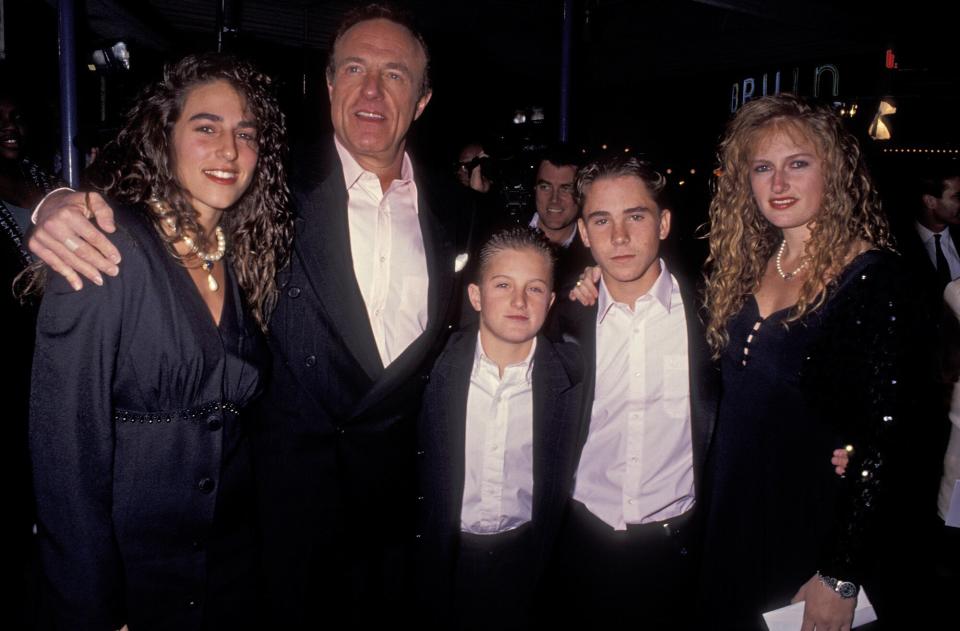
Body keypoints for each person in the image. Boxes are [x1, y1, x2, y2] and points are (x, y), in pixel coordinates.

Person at [27, 4, 467, 625]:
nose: (371, 89)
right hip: (277, 529)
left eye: (395, 74)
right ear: (329, 82)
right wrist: (52, 203)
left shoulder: (459, 208)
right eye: (354, 68)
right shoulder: (270, 183)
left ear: (421, 99)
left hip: (379, 530)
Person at [28, 53, 291, 630]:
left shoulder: (239, 261)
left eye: (245, 134)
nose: (229, 149)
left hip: (228, 574)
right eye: (206, 127)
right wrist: (91, 605)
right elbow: (64, 453)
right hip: (132, 580)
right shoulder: (107, 247)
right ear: (163, 138)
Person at [698, 93, 934, 629]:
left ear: (834, 171)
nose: (778, 184)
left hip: (810, 526)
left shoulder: (876, 281)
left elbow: (898, 439)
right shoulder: (747, 265)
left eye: (797, 164)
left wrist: (840, 574)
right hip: (731, 515)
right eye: (763, 168)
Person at [547, 155, 718, 628]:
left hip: (684, 551)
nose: (618, 237)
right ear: (583, 232)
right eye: (602, 220)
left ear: (663, 223)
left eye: (635, 216)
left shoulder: (714, 312)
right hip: (580, 545)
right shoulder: (558, 318)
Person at [416, 226, 584, 630]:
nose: (519, 301)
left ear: (551, 301)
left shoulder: (576, 379)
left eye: (535, 288)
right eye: (503, 284)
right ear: (476, 296)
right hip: (444, 559)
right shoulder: (430, 368)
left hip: (527, 560)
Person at [529, 144, 593, 291]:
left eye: (566, 188)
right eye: (545, 187)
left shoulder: (595, 252)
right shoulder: (502, 236)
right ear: (534, 189)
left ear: (580, 195)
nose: (554, 199)